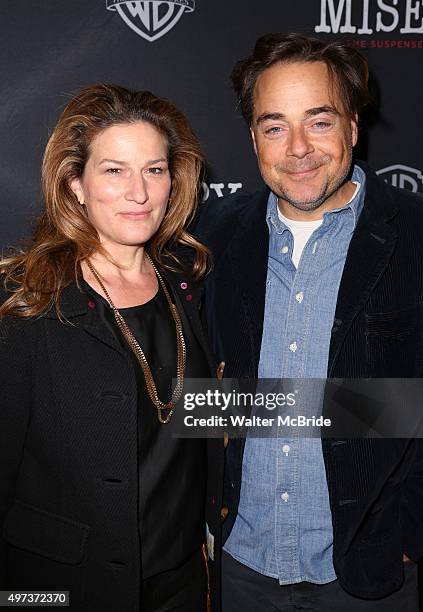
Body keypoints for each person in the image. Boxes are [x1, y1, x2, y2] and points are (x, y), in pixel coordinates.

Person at [194, 33, 423, 611]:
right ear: (253, 138)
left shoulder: (414, 235)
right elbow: (201, 391)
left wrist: (408, 530)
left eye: (318, 122)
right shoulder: (209, 236)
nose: (297, 148)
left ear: (353, 126)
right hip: (241, 565)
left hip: (368, 572)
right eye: (274, 126)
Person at [0, 84, 223, 612]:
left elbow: (204, 414)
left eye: (154, 169)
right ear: (75, 183)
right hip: (62, 588)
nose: (139, 193)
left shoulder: (186, 283)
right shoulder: (29, 303)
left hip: (182, 583)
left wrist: (373, 415)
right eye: (114, 170)